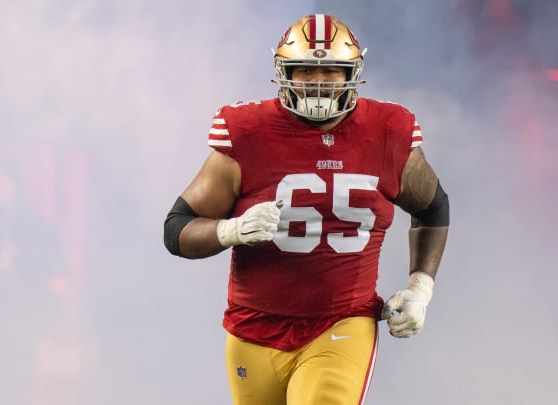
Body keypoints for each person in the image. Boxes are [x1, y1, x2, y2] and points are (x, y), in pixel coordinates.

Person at [163, 13, 449, 405]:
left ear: (353, 73)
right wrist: (228, 231)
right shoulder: (247, 131)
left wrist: (421, 288)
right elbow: (177, 229)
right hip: (252, 328)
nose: (318, 82)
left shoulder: (388, 132)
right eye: (305, 70)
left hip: (342, 322)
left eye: (332, 70)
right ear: (285, 73)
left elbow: (433, 208)